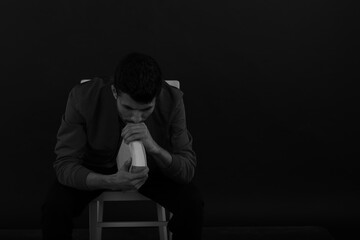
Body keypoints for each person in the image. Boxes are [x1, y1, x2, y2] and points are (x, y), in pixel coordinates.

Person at [41, 52, 204, 240]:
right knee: (54, 208)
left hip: (152, 170)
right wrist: (109, 181)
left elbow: (187, 170)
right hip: (96, 167)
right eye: (128, 108)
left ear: (157, 97)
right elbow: (64, 165)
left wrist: (155, 148)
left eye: (146, 110)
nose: (136, 118)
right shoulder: (82, 98)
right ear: (114, 92)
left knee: (192, 204)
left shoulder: (173, 100)